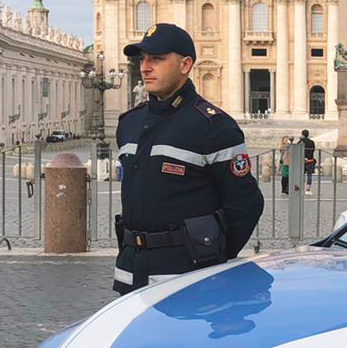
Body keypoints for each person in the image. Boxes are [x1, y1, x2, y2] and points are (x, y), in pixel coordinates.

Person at [113, 24, 264, 294]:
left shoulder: (213, 126)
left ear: (185, 65)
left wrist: (213, 255)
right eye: (142, 59)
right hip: (130, 271)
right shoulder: (129, 123)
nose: (145, 67)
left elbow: (245, 204)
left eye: (156, 59)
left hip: (187, 276)